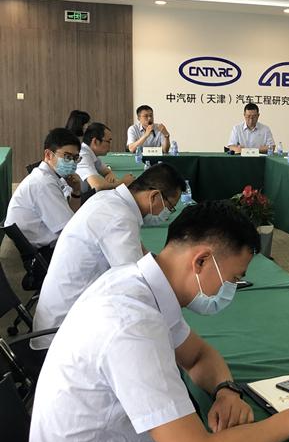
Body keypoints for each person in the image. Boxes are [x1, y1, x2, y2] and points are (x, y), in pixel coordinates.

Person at [29, 201, 289, 442]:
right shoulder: (131, 324)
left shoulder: (141, 284)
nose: (230, 290)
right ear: (201, 261)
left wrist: (226, 390)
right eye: (233, 278)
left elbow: (199, 356)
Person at [31, 163, 186, 350]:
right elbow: (136, 286)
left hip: (66, 315)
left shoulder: (111, 200)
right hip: (62, 336)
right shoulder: (118, 217)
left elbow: (141, 256)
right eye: (170, 207)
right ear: (154, 196)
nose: (167, 215)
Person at [4, 128, 82, 263]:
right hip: (43, 255)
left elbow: (70, 215)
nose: (72, 163)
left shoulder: (51, 177)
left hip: (44, 245)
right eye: (67, 157)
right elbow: (70, 229)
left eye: (75, 158)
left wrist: (76, 191)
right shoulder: (43, 183)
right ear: (48, 154)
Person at [77, 122, 135, 193]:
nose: (110, 145)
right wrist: (122, 183)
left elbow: (106, 171)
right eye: (108, 141)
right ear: (95, 141)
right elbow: (97, 186)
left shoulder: (91, 153)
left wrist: (109, 174)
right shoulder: (83, 156)